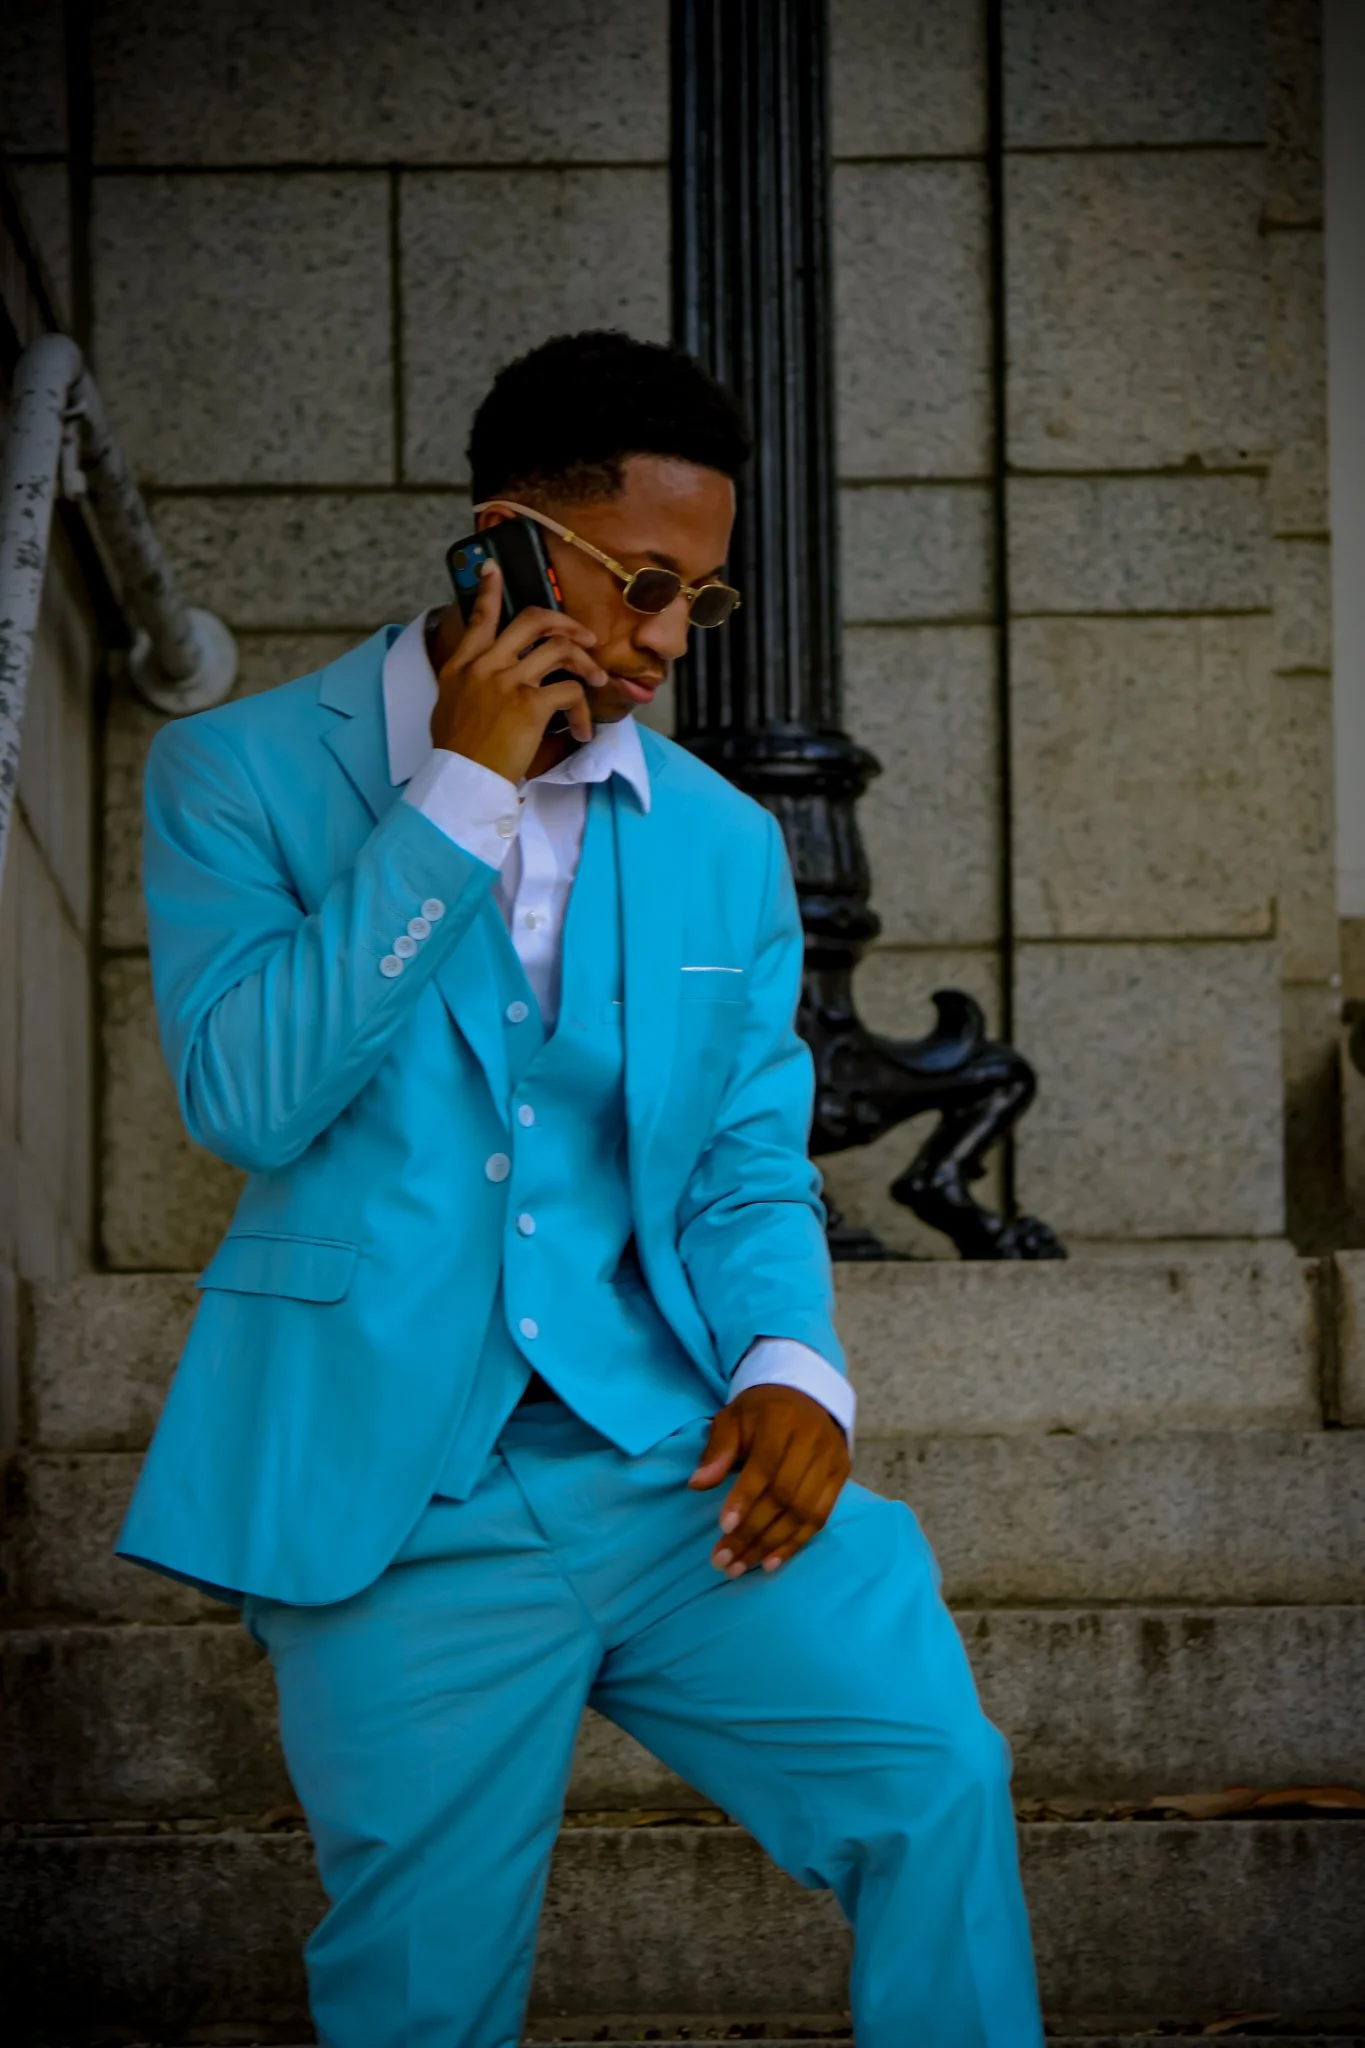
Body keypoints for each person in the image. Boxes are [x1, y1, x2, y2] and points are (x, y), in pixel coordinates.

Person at [118, 329, 1043, 2046]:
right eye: (640, 586)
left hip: (672, 1464)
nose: (666, 644)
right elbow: (246, 1095)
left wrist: (791, 1367)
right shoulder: (236, 777)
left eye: (702, 601)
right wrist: (459, 791)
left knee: (936, 1779)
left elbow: (748, 1158)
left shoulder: (718, 840)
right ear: (508, 541)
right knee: (421, 1997)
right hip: (399, 1502)